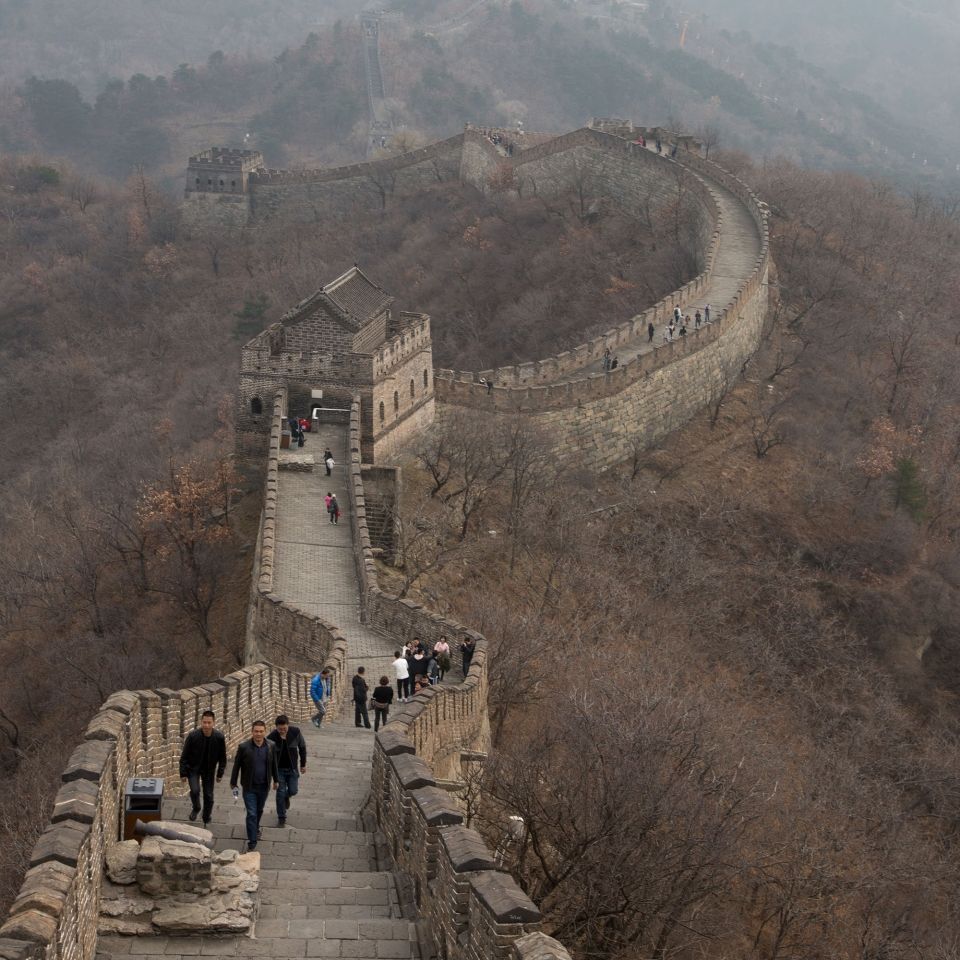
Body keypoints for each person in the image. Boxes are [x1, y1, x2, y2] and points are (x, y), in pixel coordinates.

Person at [229, 720, 279, 852]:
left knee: (259, 810)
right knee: (251, 813)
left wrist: (276, 780)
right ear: (252, 732)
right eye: (256, 731)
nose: (258, 734)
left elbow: (274, 764)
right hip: (249, 786)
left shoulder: (271, 746)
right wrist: (233, 783)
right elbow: (236, 766)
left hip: (264, 785)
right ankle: (252, 842)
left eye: (261, 731)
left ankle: (255, 828)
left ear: (265, 732)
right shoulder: (244, 747)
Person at [179, 710, 227, 826]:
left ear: (213, 723)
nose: (206, 725)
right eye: (204, 722)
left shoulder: (219, 737)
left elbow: (222, 758)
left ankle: (206, 816)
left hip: (209, 770)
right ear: (201, 722)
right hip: (193, 768)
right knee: (195, 790)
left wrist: (220, 773)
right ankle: (196, 807)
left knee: (209, 796)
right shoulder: (193, 736)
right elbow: (184, 755)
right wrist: (183, 773)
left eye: (209, 723)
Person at [267, 715, 306, 827]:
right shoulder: (272, 737)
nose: (282, 731)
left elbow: (302, 747)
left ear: (288, 725)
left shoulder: (295, 732)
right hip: (279, 770)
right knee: (280, 793)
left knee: (293, 790)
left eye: (284, 728)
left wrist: (303, 764)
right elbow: (267, 754)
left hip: (292, 769)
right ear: (276, 727)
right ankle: (281, 817)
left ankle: (286, 796)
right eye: (280, 729)